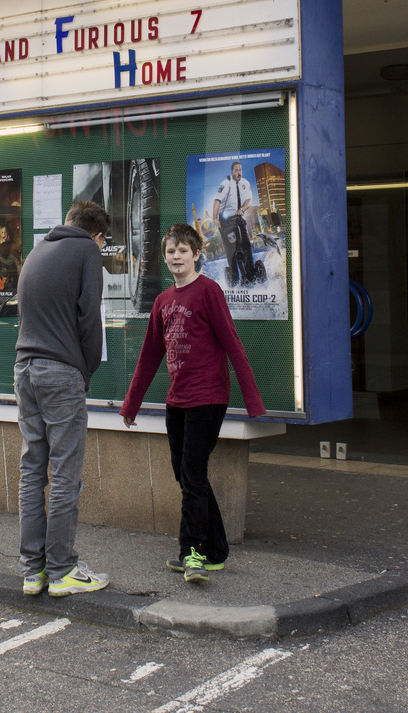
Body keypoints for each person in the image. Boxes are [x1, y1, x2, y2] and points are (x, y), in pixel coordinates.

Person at [120, 223, 266, 583]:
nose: (176, 257)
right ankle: (216, 549)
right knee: (187, 476)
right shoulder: (163, 301)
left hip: (208, 398)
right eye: (171, 251)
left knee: (193, 475)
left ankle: (192, 553)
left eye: (183, 251)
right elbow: (150, 356)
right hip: (177, 400)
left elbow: (232, 343)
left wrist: (253, 401)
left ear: (197, 254)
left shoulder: (209, 291)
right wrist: (130, 406)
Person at [14, 198, 111, 597]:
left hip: (25, 368)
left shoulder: (38, 251)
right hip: (60, 372)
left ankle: (32, 571)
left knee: (33, 469)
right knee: (66, 473)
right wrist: (86, 371)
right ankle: (62, 570)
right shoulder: (87, 250)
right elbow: (90, 316)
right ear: (98, 235)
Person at [212, 160, 255, 284]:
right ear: (232, 172)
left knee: (246, 246)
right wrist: (215, 218)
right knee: (232, 251)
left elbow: (248, 201)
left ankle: (251, 276)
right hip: (225, 221)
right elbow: (216, 201)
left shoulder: (245, 183)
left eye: (240, 170)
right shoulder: (226, 184)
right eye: (236, 170)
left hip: (238, 218)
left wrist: (241, 209)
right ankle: (235, 279)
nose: (239, 172)